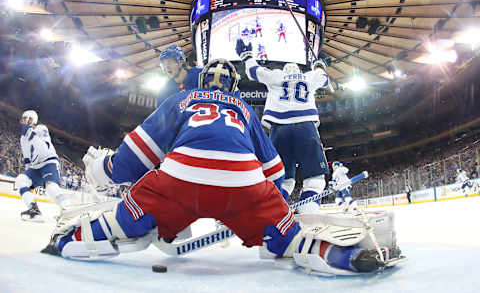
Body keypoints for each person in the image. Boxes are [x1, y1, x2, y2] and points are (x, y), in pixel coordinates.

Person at [41, 59, 400, 275]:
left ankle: (72, 240)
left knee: (129, 216)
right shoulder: (245, 110)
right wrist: (273, 212)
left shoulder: (182, 97)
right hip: (244, 187)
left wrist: (104, 168)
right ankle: (340, 255)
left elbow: (135, 158)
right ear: (233, 86)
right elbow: (274, 174)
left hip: (179, 180)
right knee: (289, 239)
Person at [236, 38, 330, 213]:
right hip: (305, 127)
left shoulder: (276, 75)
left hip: (279, 130)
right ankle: (308, 210)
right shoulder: (309, 77)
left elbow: (254, 71)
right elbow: (324, 79)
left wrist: (246, 55)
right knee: (315, 178)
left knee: (283, 178)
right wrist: (319, 64)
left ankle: (275, 212)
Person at [15, 110, 71, 222]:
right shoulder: (23, 137)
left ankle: (68, 210)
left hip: (48, 161)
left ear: (32, 119)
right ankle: (33, 210)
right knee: (21, 180)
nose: (24, 121)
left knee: (51, 186)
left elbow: (43, 148)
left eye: (26, 118)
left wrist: (30, 134)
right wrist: (28, 169)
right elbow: (26, 156)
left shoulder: (41, 128)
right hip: (35, 167)